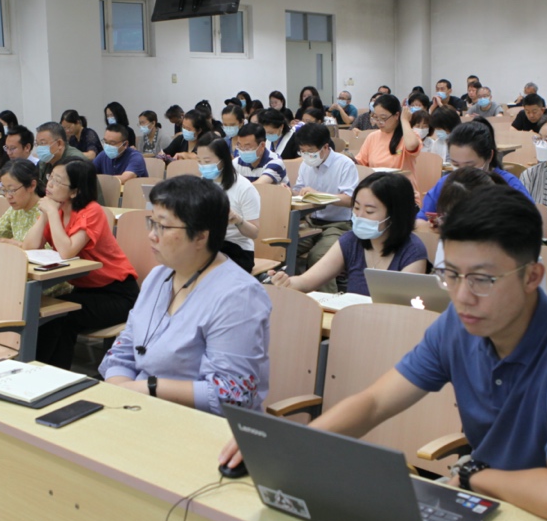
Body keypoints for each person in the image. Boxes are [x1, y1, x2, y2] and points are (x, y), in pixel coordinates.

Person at [222, 187, 547, 521]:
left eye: (483, 279)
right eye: (451, 274)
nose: (462, 296)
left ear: (532, 277)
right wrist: (292, 447)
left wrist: (471, 477)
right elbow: (375, 402)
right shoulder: (460, 324)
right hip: (484, 499)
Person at [99, 176, 269, 415]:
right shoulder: (158, 277)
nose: (152, 235)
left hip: (201, 422)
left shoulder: (239, 296)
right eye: (152, 222)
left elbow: (232, 394)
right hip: (140, 407)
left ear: (200, 236)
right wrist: (120, 390)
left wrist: (147, 387)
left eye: (164, 226)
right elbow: (124, 348)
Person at [23, 160, 139, 369]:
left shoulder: (92, 211)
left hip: (117, 294)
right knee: (49, 313)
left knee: (60, 316)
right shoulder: (57, 210)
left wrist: (51, 213)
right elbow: (29, 247)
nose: (50, 184)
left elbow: (67, 251)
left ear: (75, 191)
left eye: (58, 181)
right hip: (86, 291)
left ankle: (48, 373)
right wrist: (45, 214)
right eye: (50, 177)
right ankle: (42, 371)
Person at [271, 172, 426, 296]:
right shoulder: (351, 241)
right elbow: (307, 281)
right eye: (356, 208)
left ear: (395, 215)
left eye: (369, 211)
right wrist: (286, 282)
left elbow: (404, 307)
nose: (359, 216)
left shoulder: (412, 251)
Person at [291, 123, 359, 289]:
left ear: (325, 147)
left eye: (310, 151)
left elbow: (350, 200)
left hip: (338, 225)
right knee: (285, 248)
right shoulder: (305, 164)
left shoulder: (344, 164)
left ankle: (325, 301)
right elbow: (299, 190)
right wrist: (290, 192)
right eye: (302, 151)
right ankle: (292, 293)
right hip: (310, 223)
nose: (307, 155)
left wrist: (319, 196)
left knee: (319, 257)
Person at [420, 120, 531, 217]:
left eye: (470, 166)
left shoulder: (509, 184)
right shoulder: (446, 183)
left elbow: (529, 223)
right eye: (455, 164)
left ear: (489, 157)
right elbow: (421, 219)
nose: (462, 172)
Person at [196, 138, 260, 273]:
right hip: (207, 245)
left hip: (237, 249)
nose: (203, 166)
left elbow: (254, 233)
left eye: (207, 161)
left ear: (223, 160)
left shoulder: (244, 188)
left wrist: (238, 220)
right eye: (199, 161)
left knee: (204, 268)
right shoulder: (201, 184)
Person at [354, 93, 422, 185]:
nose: (379, 122)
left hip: (401, 187)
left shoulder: (408, 136)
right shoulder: (372, 137)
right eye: (376, 117)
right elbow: (360, 162)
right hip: (377, 187)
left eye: (383, 118)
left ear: (397, 115)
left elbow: (411, 145)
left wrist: (404, 120)